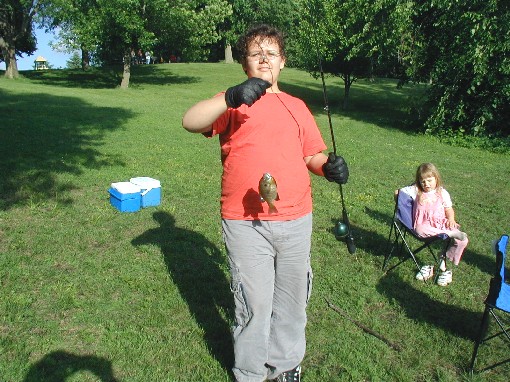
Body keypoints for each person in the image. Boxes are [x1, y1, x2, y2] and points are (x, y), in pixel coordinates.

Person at [182, 24, 349, 382]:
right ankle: (251, 373)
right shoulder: (234, 103)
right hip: (244, 222)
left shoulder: (297, 107)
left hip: (296, 219)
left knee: (291, 302)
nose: (264, 59)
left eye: (271, 53)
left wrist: (329, 167)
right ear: (245, 64)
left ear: (282, 62)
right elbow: (189, 121)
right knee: (254, 304)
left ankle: (286, 366)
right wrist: (229, 98)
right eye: (255, 54)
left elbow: (312, 157)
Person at [396, 163, 468, 286]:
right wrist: (398, 199)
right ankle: (449, 233)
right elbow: (399, 192)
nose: (426, 184)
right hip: (424, 225)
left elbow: (448, 209)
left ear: (436, 178)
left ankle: (444, 256)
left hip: (440, 223)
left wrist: (451, 219)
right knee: (419, 229)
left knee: (463, 240)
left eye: (429, 180)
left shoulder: (442, 192)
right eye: (422, 181)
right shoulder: (416, 191)